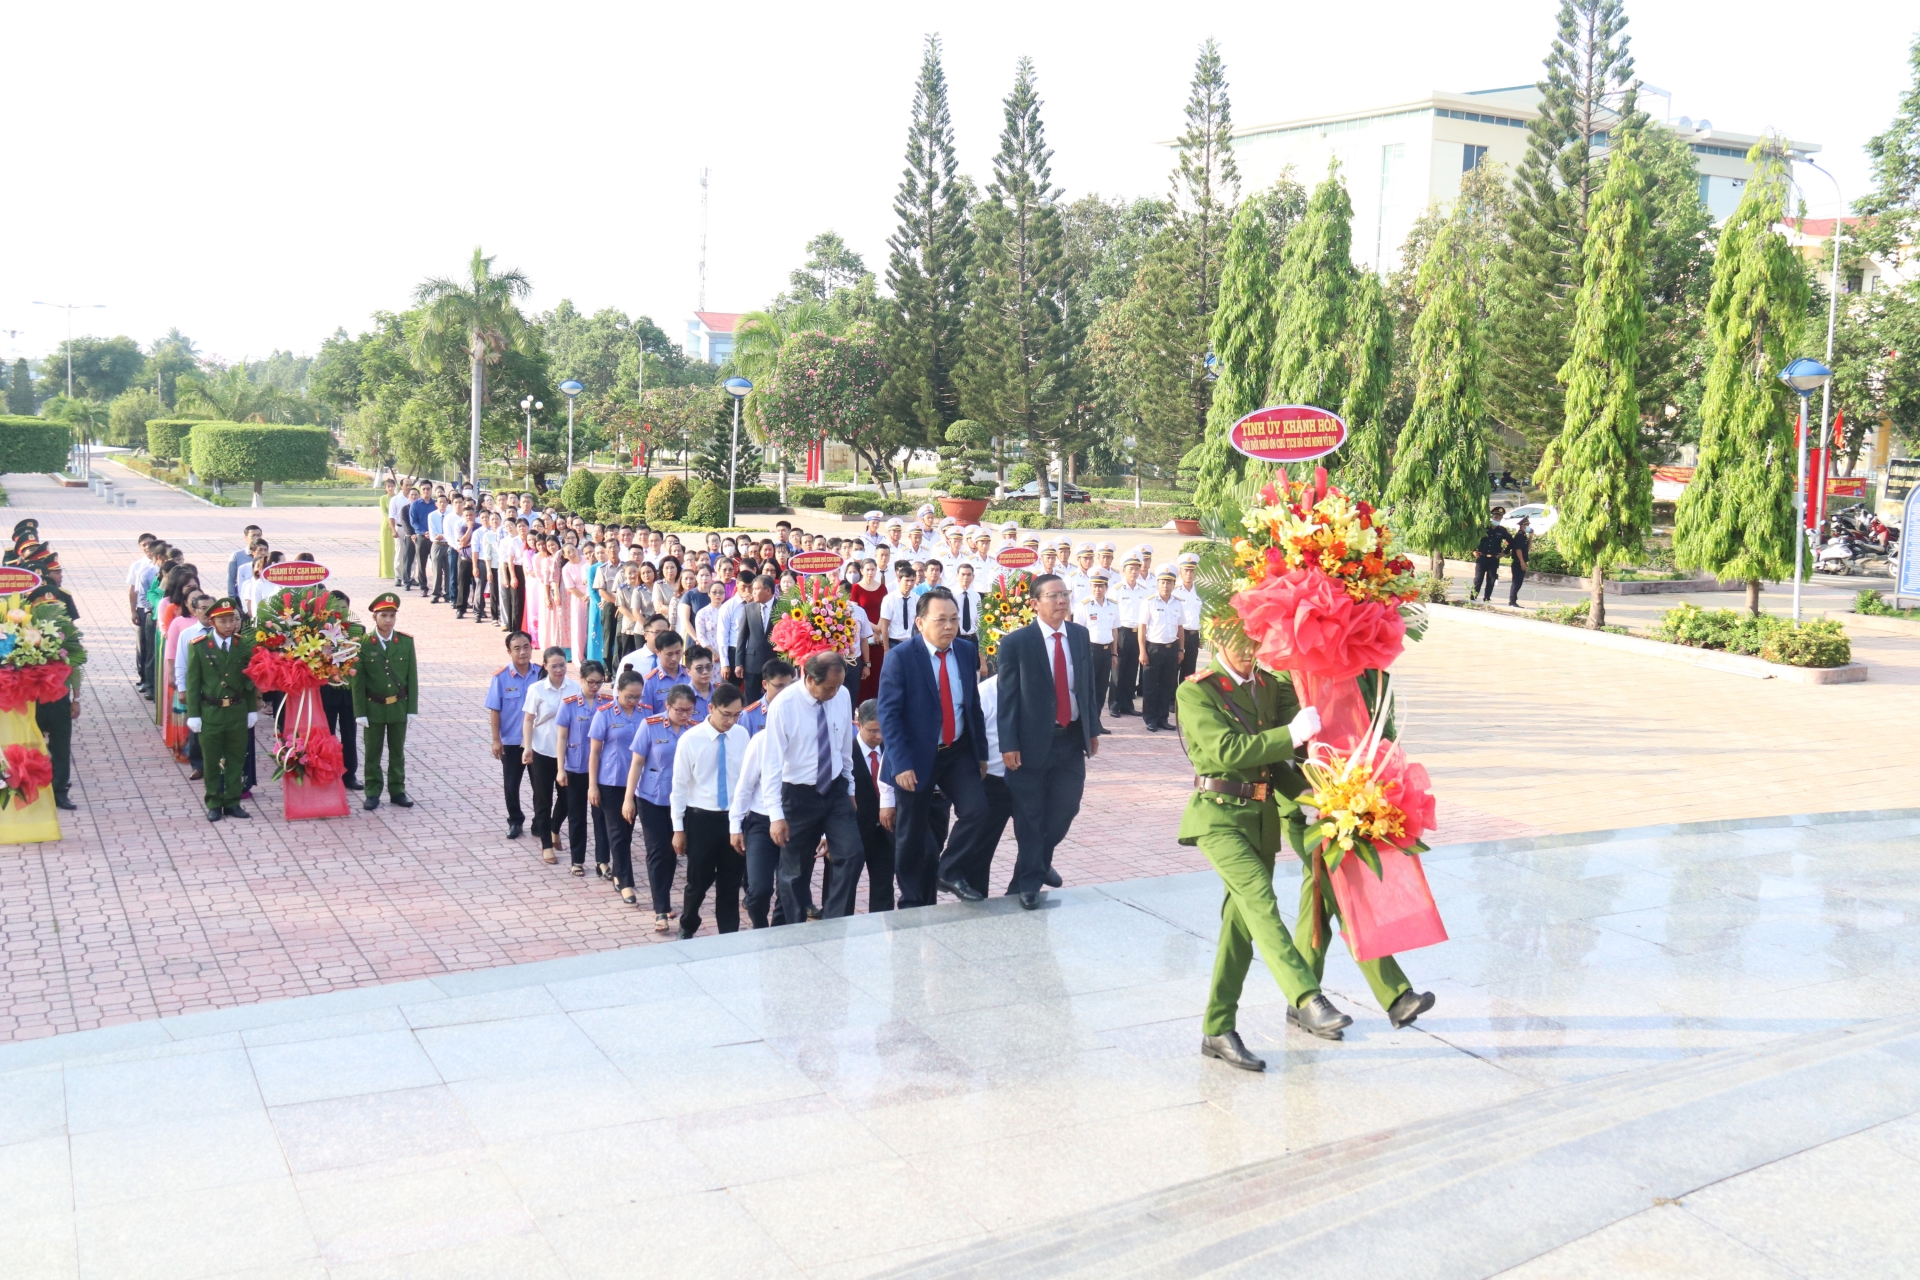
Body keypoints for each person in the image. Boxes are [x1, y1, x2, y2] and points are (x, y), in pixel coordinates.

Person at [1176, 628, 1353, 1071]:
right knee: (1261, 901)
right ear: (1215, 640)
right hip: (1217, 816)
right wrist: (1289, 734)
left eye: (1254, 640)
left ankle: (1217, 1029)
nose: (1248, 650)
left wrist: (1315, 800)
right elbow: (1228, 750)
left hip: (1260, 819)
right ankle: (1307, 996)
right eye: (1237, 640)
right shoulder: (1196, 691)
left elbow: (1274, 766)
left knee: (1239, 928)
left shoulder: (1267, 686)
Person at [875, 588, 988, 909]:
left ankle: (948, 870)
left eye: (954, 619)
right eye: (941, 620)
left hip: (957, 751)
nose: (949, 626)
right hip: (914, 756)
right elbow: (889, 714)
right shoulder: (900, 657)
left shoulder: (966, 652)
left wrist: (980, 753)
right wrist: (900, 763)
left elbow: (972, 704)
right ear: (921, 622)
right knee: (910, 834)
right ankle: (912, 900)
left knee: (977, 811)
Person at [995, 573, 1102, 908]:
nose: (1061, 601)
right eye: (1053, 595)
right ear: (1034, 603)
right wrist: (1008, 743)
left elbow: (1087, 686)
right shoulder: (1016, 643)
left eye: (1065, 594)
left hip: (1070, 739)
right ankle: (1029, 884)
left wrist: (1093, 728)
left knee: (1065, 809)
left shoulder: (1080, 636)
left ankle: (1037, 864)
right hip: (1029, 744)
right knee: (1029, 817)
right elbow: (1007, 697)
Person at [760, 651, 862, 921]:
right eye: (829, 687)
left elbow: (843, 748)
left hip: (835, 789)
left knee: (852, 853)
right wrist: (775, 816)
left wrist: (850, 789)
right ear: (809, 678)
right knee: (794, 870)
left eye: (839, 686)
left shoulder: (842, 695)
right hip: (798, 794)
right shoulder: (784, 705)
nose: (834, 693)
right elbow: (771, 763)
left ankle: (836, 921)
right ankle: (793, 930)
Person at [672, 683, 750, 937]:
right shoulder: (690, 740)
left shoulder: (741, 736)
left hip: (733, 821)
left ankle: (728, 934)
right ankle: (688, 926)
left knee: (730, 883)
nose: (731, 720)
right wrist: (678, 829)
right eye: (726, 714)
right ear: (711, 708)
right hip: (701, 819)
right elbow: (679, 787)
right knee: (698, 882)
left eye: (736, 715)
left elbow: (746, 780)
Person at [627, 684, 696, 933]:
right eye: (679, 710)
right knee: (658, 852)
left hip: (684, 802)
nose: (684, 715)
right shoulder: (651, 725)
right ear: (668, 706)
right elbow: (637, 763)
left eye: (689, 710)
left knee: (673, 852)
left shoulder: (695, 730)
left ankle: (664, 900)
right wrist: (628, 799)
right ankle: (660, 910)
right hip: (652, 798)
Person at [184, 598, 258, 822]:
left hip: (236, 710)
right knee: (212, 760)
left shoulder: (242, 645)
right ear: (212, 621)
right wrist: (193, 714)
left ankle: (233, 801)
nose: (229, 625)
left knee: (236, 759)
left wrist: (252, 709)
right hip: (211, 712)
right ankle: (214, 802)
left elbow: (249, 679)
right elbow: (193, 683)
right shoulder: (198, 646)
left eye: (231, 620)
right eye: (223, 621)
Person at [353, 592, 417, 811]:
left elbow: (412, 677)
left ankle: (397, 790)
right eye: (383, 616)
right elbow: (358, 682)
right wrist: (359, 712)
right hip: (374, 707)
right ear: (374, 617)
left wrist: (412, 708)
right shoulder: (363, 644)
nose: (388, 620)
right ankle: (372, 792)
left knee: (397, 752)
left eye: (391, 615)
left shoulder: (406, 642)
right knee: (372, 752)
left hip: (398, 705)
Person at [589, 671, 648, 902]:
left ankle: (617, 871)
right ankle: (626, 883)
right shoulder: (604, 714)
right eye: (629, 697)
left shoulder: (646, 714)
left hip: (637, 783)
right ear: (618, 692)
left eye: (638, 697)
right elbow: (595, 752)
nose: (634, 701)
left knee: (627, 831)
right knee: (618, 832)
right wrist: (592, 786)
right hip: (611, 782)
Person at [521, 646, 580, 864]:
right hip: (542, 750)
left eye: (562, 665)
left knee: (567, 798)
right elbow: (528, 720)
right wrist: (527, 747)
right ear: (545, 666)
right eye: (554, 666)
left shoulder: (574, 688)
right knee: (543, 798)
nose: (559, 670)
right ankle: (546, 844)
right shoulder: (536, 689)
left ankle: (555, 828)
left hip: (569, 752)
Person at [486, 631, 539, 837]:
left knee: (540, 786)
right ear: (509, 652)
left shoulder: (542, 674)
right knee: (511, 785)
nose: (523, 652)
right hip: (511, 741)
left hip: (537, 741)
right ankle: (515, 820)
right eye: (517, 648)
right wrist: (496, 740)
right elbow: (495, 710)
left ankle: (539, 821)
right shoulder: (501, 678)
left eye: (526, 647)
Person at [850, 699, 897, 912]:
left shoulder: (893, 750)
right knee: (844, 887)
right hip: (854, 831)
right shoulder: (846, 753)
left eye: (883, 730)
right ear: (858, 724)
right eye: (873, 731)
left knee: (883, 888)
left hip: (885, 833)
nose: (879, 737)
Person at [320, 590, 361, 791]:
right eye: (335, 608)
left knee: (349, 733)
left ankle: (350, 773)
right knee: (326, 733)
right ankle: (327, 771)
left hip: (348, 691)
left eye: (343, 608)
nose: (339, 612)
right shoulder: (319, 632)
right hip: (327, 690)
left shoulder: (357, 630)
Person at [1138, 567, 1186, 733]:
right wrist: (1142, 651)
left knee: (1167, 685)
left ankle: (1163, 718)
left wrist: (1181, 649)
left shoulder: (1178, 603)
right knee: (1151, 686)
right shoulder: (1149, 602)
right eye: (1163, 582)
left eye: (1169, 582)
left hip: (1171, 648)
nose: (1166, 585)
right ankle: (1150, 719)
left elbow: (1180, 627)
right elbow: (1142, 628)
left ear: (1174, 584)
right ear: (1157, 584)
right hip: (1153, 648)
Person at [1107, 555, 1151, 716]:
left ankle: (1128, 704)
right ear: (1124, 570)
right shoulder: (1116, 590)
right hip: (1121, 631)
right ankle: (1114, 704)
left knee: (1132, 670)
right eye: (1131, 568)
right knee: (1118, 669)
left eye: (1137, 568)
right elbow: (1110, 613)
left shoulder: (1144, 591)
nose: (1134, 572)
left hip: (1137, 632)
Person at [1073, 570, 1119, 719]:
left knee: (1101, 688)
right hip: (1090, 650)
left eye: (1101, 586)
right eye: (1094, 586)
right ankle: (1086, 721)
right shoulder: (1083, 605)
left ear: (1106, 587)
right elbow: (1077, 632)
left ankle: (1096, 720)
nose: (1097, 589)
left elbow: (1114, 630)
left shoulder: (1112, 605)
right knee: (1088, 688)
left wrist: (1114, 653)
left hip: (1106, 651)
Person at [731, 574, 779, 704]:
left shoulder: (782, 608)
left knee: (775, 700)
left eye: (757, 589)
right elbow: (742, 637)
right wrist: (738, 663)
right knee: (751, 702)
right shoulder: (748, 608)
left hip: (775, 662)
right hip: (752, 664)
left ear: (768, 590)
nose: (753, 592)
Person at [738, 658, 793, 736]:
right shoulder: (749, 715)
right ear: (765, 684)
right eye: (779, 686)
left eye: (788, 686)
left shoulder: (797, 710)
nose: (784, 691)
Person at [1174, 554, 1203, 682]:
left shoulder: (1200, 591)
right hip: (1179, 634)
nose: (1189, 574)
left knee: (1190, 670)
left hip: (1193, 635)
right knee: (1174, 668)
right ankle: (1171, 699)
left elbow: (1202, 614)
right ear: (1180, 571)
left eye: (1192, 571)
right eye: (1186, 570)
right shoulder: (1175, 591)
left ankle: (1186, 699)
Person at [1474, 510, 1510, 603]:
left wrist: (1504, 552)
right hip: (1482, 557)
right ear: (1491, 517)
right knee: (1478, 579)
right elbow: (1473, 538)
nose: (1497, 519)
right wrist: (1474, 550)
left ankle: (1487, 599)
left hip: (1494, 559)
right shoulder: (1483, 527)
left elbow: (1512, 542)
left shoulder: (1502, 530)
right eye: (1495, 517)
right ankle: (1473, 597)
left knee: (1491, 580)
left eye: (1499, 518)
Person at [1508, 515, 1532, 607]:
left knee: (1519, 582)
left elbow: (1527, 548)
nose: (1528, 527)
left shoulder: (1524, 536)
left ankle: (1513, 600)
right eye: (1527, 526)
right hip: (1518, 563)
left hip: (1521, 562)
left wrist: (1531, 537)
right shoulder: (1519, 536)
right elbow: (1518, 550)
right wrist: (1522, 562)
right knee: (1516, 582)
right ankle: (1512, 601)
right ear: (1522, 526)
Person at [378, 478, 398, 580]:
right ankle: (386, 572)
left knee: (396, 549)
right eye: (388, 486)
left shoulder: (397, 498)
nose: (390, 488)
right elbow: (384, 512)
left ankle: (396, 572)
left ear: (395, 487)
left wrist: (394, 523)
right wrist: (391, 522)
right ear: (385, 488)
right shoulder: (383, 498)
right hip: (386, 526)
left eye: (392, 486)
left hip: (396, 525)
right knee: (386, 549)